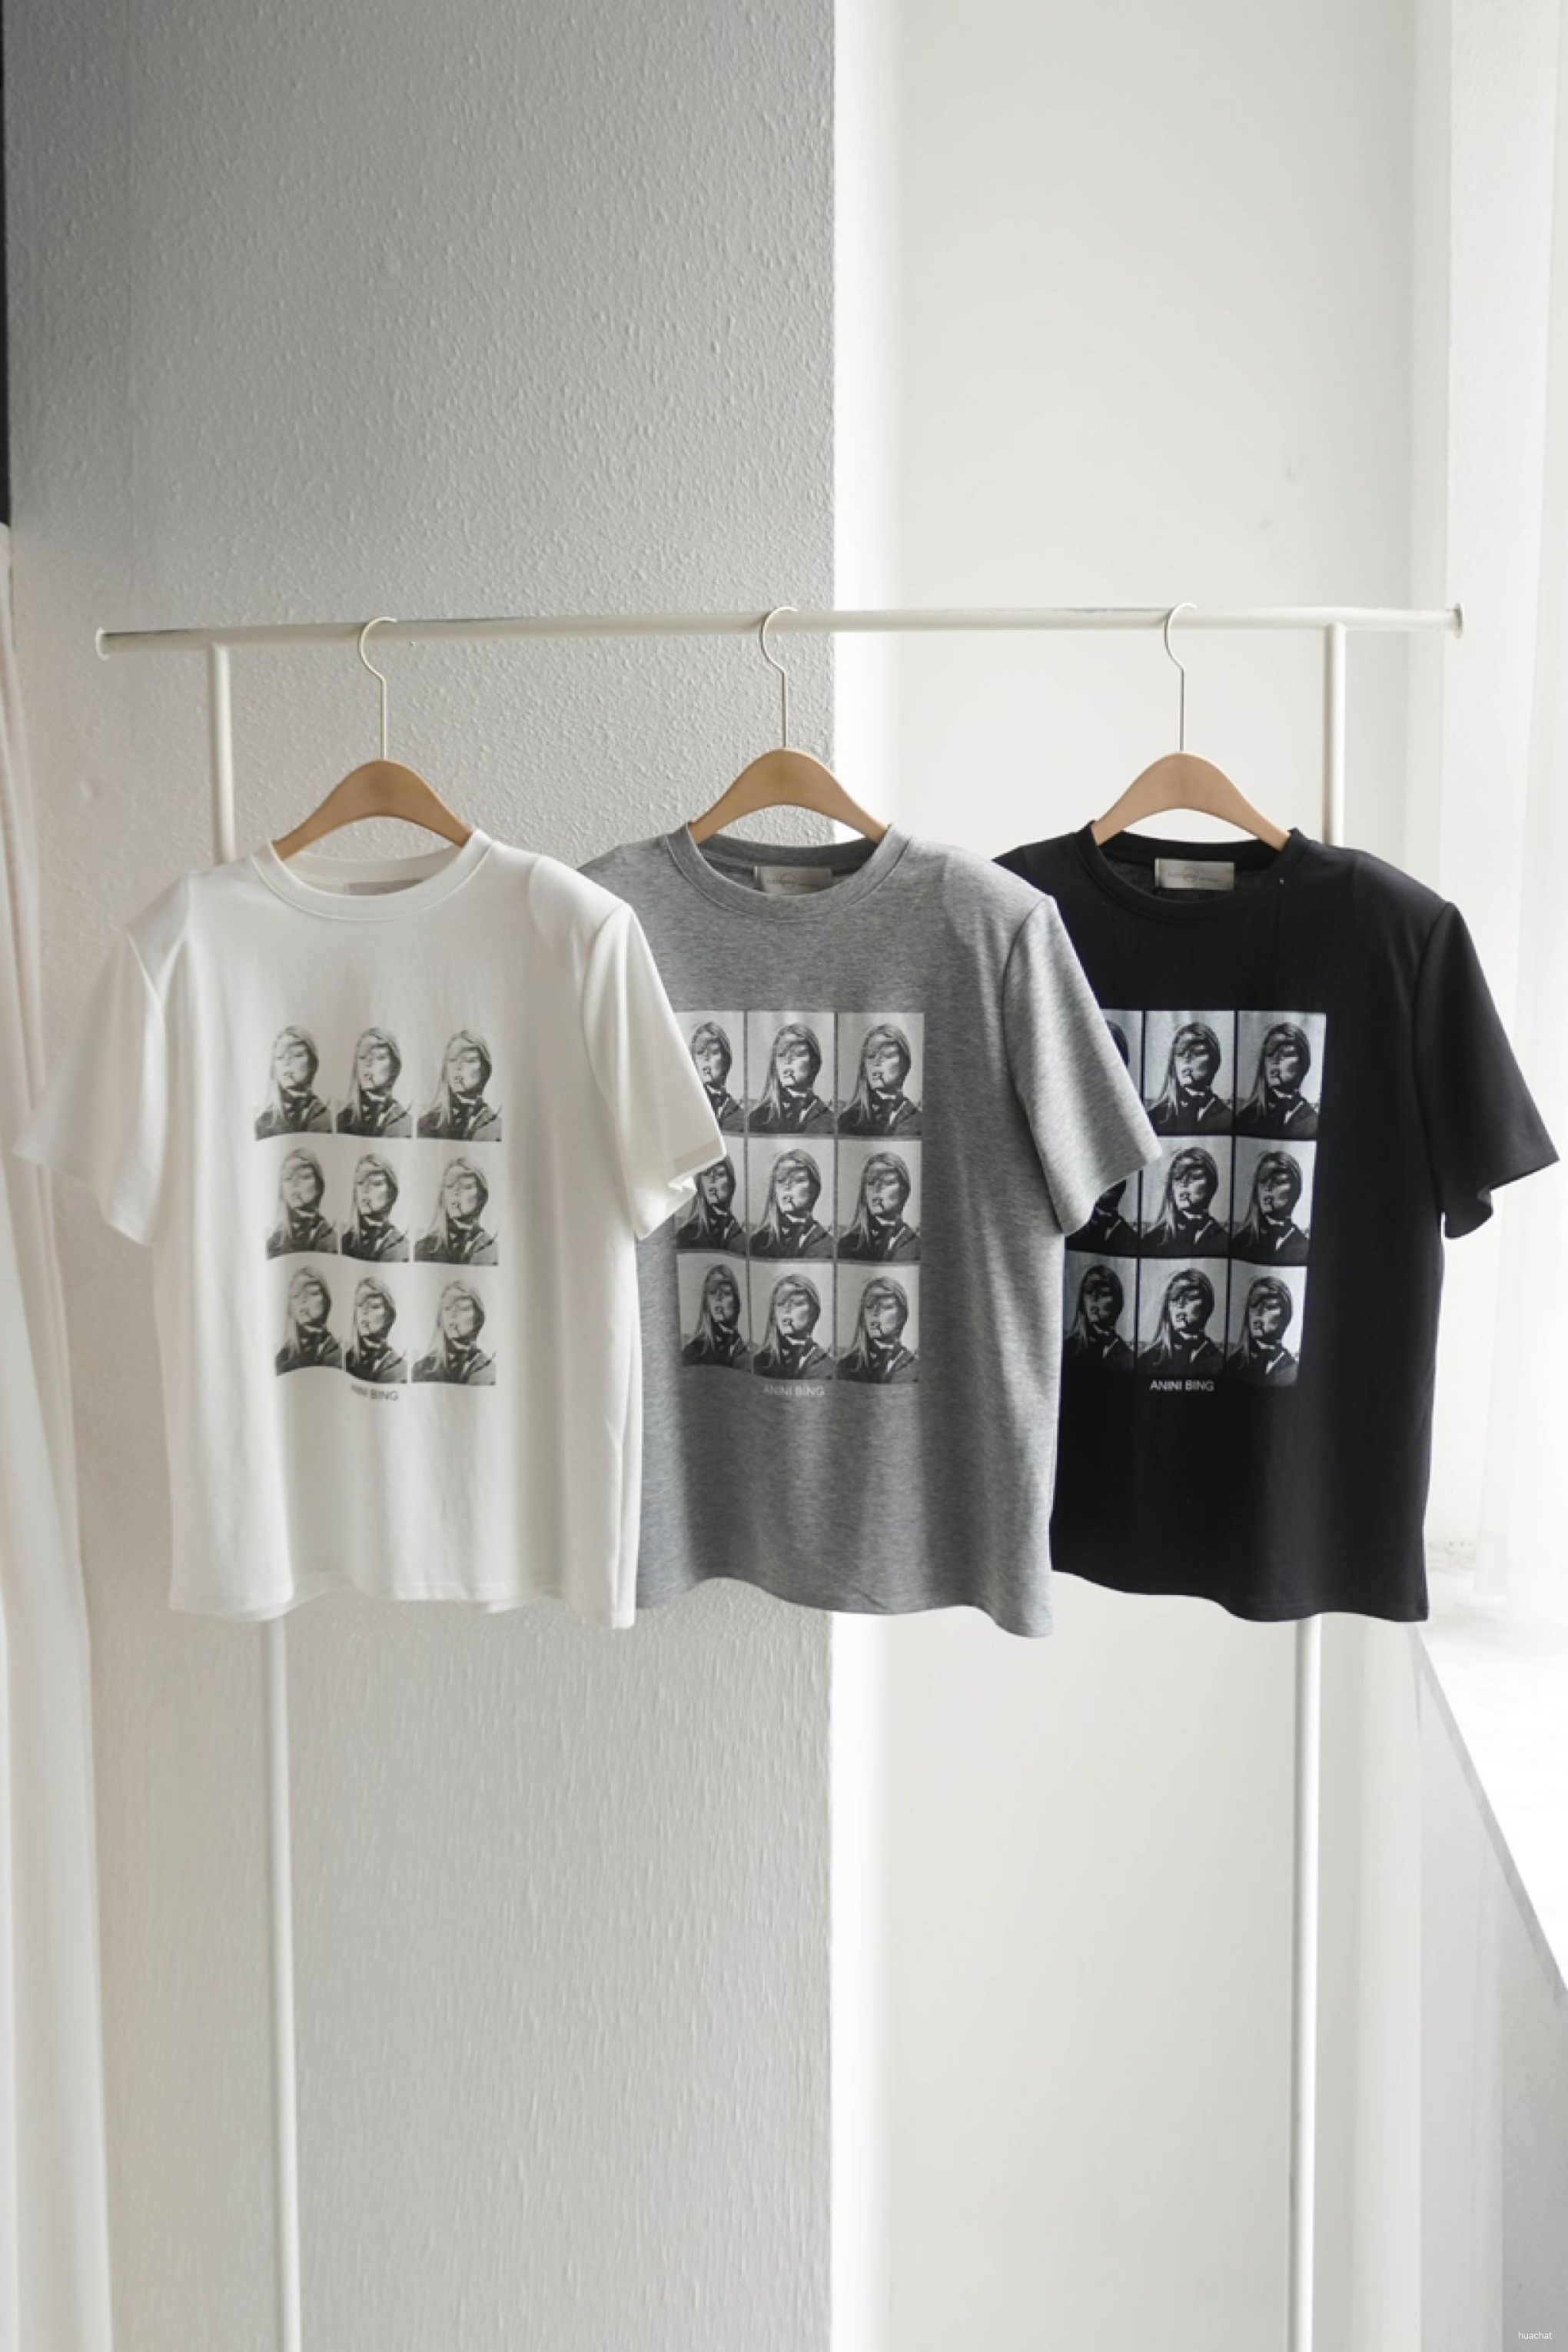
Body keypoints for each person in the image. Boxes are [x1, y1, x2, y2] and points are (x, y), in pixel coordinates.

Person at [1234, 1021, 1320, 1138]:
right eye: (1269, 1053)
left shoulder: (1313, 1123)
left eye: (1286, 1054)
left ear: (1303, 1063)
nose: (1274, 1060)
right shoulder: (1246, 1118)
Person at [1144, 1019, 1230, 1133]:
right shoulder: (1154, 1118)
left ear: (1213, 1060)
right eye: (1180, 1053)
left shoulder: (1229, 1119)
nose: (1186, 1060)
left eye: (1196, 1053)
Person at [838, 1022, 922, 1137]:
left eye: (887, 1055)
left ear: (905, 1064)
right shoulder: (848, 1120)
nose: (876, 1062)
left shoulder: (920, 1122)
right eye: (871, 1056)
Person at [1142, 1146, 1229, 1256]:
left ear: (1211, 1184)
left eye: (1193, 1178)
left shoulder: (1225, 1241)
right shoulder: (1154, 1239)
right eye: (1177, 1178)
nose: (1183, 1184)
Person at [749, 1022, 834, 1134]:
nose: (787, 1061)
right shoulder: (758, 1118)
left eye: (797, 1054)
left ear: (814, 1062)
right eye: (781, 1054)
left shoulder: (830, 1122)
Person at [418, 1029, 502, 1141]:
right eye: (452, 1060)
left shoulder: (496, 1127)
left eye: (469, 1060)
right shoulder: (426, 1124)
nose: (458, 1067)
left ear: (485, 1069)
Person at [838, 1150, 920, 1262]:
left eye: (887, 1182)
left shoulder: (917, 1247)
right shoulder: (847, 1245)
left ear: (904, 1190)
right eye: (870, 1182)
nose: (876, 1189)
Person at [749, 1148, 832, 1257]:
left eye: (798, 1180)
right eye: (781, 1180)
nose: (787, 1187)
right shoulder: (758, 1242)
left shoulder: (828, 1246)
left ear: (814, 1189)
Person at [1141, 1267, 1224, 1374]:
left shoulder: (1220, 1362)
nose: (1180, 1305)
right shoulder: (1150, 1360)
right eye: (1174, 1299)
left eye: (1190, 1298)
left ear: (1206, 1305)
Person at [836, 1275, 919, 1384]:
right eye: (869, 1306)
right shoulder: (846, 1367)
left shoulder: (916, 1369)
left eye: (886, 1307)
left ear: (902, 1315)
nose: (875, 1313)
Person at [415, 1158, 498, 1264]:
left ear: (481, 1196)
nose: (455, 1192)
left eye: (466, 1187)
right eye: (449, 1186)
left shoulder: (492, 1251)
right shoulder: (423, 1248)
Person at [1231, 1149, 1311, 1262]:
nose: (1267, 1188)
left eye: (1278, 1182)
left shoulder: (1305, 1248)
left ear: (1296, 1189)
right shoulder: (1240, 1242)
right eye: (1263, 1181)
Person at [413, 1280, 496, 1384]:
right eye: (447, 1308)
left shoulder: (489, 1371)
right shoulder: (421, 1369)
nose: (453, 1315)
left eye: (463, 1308)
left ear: (478, 1317)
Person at [752, 1272, 832, 1380]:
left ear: (813, 1312)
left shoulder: (827, 1367)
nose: (786, 1309)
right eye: (780, 1303)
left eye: (797, 1303)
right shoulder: (759, 1362)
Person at [255, 1027, 331, 1137]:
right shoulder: (264, 1122)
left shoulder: (327, 1117)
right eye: (280, 1057)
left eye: (297, 1055)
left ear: (313, 1063)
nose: (287, 1062)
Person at [337, 1026, 411, 1137]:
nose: (368, 1064)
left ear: (394, 1067)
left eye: (379, 1057)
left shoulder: (406, 1124)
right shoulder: (340, 1121)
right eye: (362, 1057)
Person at [1227, 1274, 1301, 1385]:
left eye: (1269, 1307)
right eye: (1253, 1305)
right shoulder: (1231, 1364)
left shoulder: (1293, 1372)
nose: (1258, 1313)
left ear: (1285, 1315)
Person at [265, 1148, 337, 1257]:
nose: (295, 1184)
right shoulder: (274, 1244)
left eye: (304, 1177)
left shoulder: (335, 1239)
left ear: (319, 1185)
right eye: (288, 1178)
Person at [340, 1151, 409, 1261]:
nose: (365, 1190)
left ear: (392, 1192)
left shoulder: (402, 1248)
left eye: (376, 1183)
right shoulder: (343, 1243)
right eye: (360, 1183)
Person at [1065, 1263, 1133, 1370]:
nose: (1093, 1299)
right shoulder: (1068, 1349)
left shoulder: (1128, 1358)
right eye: (1089, 1292)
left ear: (1117, 1301)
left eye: (1103, 1294)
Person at [680, 1263, 750, 1369]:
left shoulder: (746, 1356)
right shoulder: (693, 1353)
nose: (718, 1298)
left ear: (736, 1302)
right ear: (706, 1303)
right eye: (712, 1292)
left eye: (726, 1293)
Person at [275, 1265, 342, 1373]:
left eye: (312, 1293)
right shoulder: (283, 1357)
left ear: (326, 1300)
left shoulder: (340, 1352)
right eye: (296, 1295)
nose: (303, 1300)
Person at [674, 1155, 745, 1253]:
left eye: (720, 1174)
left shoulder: (742, 1238)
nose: (712, 1181)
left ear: (731, 1183)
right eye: (706, 1174)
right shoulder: (687, 1235)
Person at [344, 1277, 407, 1384]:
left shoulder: (400, 1369)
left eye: (374, 1306)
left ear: (388, 1315)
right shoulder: (345, 1360)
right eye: (359, 1305)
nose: (364, 1311)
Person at [688, 1020, 745, 1132]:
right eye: (700, 1052)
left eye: (713, 1052)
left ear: (726, 1060)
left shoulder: (739, 1117)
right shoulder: (688, 1107)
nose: (706, 1058)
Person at [1068, 1176, 1140, 1255]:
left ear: (1118, 1194)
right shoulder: (1078, 1220)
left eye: (1108, 1190)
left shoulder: (1126, 1233)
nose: (1100, 1192)